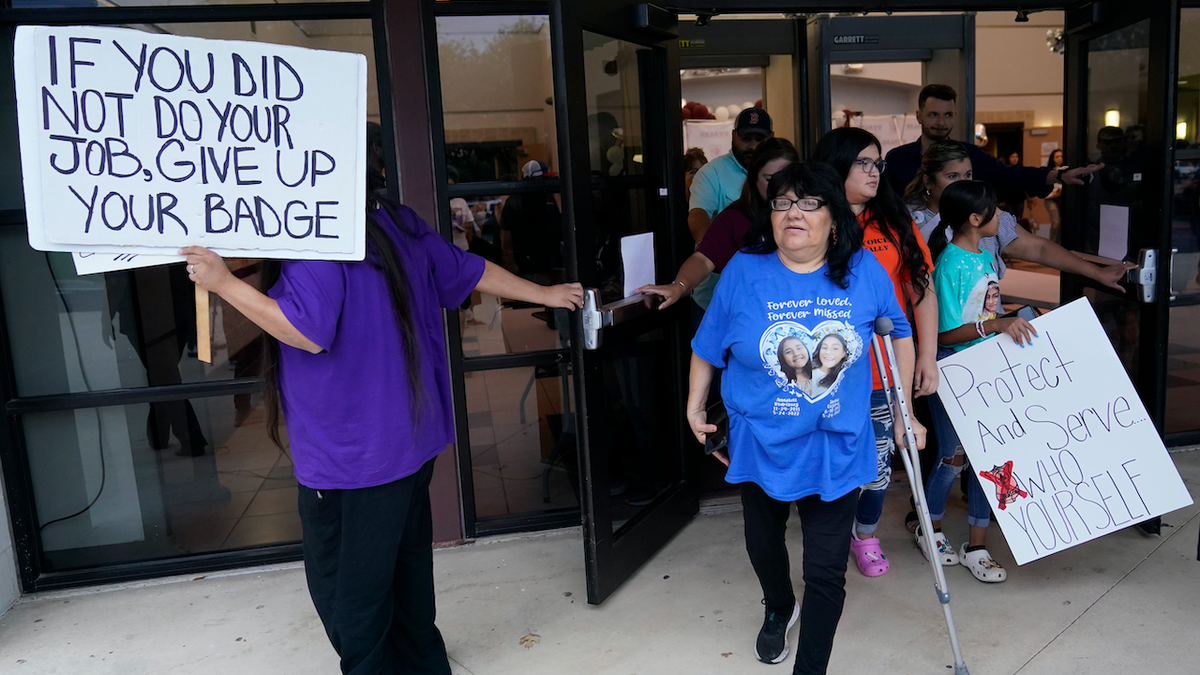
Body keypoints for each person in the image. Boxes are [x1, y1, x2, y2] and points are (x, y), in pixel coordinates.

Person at [180, 199, 584, 674]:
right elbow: (465, 270)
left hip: (353, 455)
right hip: (407, 439)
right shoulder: (392, 221)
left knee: (350, 601)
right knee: (407, 578)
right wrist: (545, 293)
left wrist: (223, 283)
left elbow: (306, 332)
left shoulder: (318, 239)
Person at [687, 161, 923, 673]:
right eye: (782, 201)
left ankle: (810, 668)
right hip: (761, 437)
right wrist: (694, 403)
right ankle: (778, 605)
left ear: (834, 218)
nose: (793, 211)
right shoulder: (745, 271)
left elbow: (900, 332)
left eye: (809, 202)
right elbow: (708, 345)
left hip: (837, 442)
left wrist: (906, 412)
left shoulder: (863, 270)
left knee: (825, 571)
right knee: (763, 542)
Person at [811, 127, 936, 577]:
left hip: (885, 370)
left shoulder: (894, 221)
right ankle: (830, 532)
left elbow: (920, 288)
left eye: (878, 163)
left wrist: (927, 355)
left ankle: (865, 534)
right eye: (863, 162)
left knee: (880, 461)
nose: (874, 171)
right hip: (827, 374)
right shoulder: (812, 219)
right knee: (831, 459)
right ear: (835, 166)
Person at [923, 180, 1035, 583]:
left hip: (987, 371)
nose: (1003, 218)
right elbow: (946, 335)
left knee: (990, 462)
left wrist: (1013, 321)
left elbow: (990, 312)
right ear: (974, 219)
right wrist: (998, 324)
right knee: (951, 459)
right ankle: (930, 531)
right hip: (954, 372)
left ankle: (978, 544)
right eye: (995, 211)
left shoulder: (984, 257)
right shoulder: (950, 263)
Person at [904, 140, 1137, 293]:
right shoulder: (906, 220)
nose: (963, 183)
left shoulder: (987, 212)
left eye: (968, 174)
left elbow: (1039, 248)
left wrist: (1097, 272)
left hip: (985, 331)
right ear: (928, 181)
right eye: (953, 176)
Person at [637, 138, 799, 309]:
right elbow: (703, 259)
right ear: (753, 178)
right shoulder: (735, 218)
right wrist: (679, 286)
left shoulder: (809, 214)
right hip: (745, 313)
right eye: (769, 179)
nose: (778, 186)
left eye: (785, 177)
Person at [884, 84, 1102, 199]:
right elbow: (884, 207)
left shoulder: (970, 155)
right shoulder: (897, 159)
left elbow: (1010, 174)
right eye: (933, 115)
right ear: (919, 116)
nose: (941, 122)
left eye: (948, 115)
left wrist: (1059, 175)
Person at [685, 108, 774, 316]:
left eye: (760, 139)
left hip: (768, 300)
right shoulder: (711, 173)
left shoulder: (781, 173)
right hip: (715, 300)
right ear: (733, 136)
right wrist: (719, 255)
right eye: (746, 138)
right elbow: (697, 217)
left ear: (771, 138)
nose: (752, 146)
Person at [1043, 148, 1065, 242]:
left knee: (1062, 223)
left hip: (1062, 199)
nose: (1060, 159)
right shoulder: (1049, 171)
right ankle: (1053, 242)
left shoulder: (1066, 170)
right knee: (1056, 221)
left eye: (1061, 156)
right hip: (1051, 199)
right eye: (1057, 157)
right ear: (1053, 158)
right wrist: (1054, 194)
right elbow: (1044, 191)